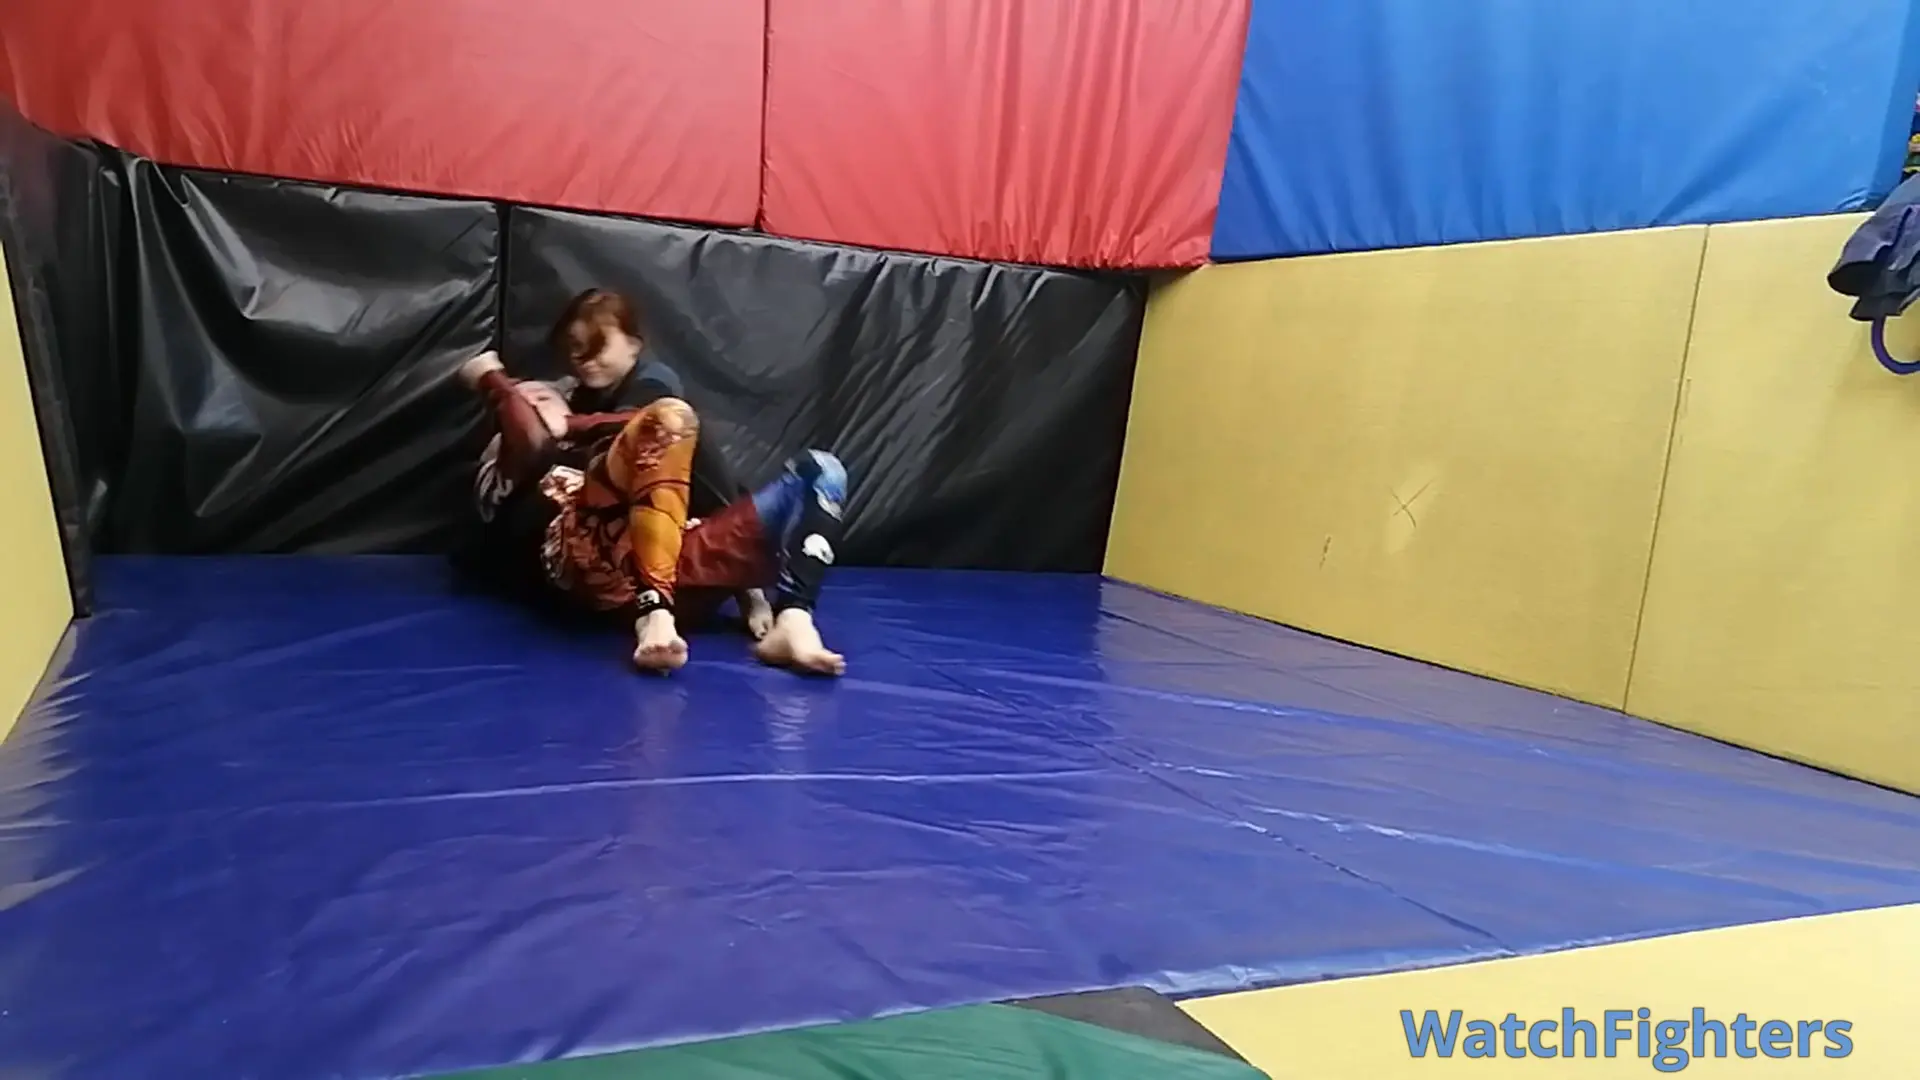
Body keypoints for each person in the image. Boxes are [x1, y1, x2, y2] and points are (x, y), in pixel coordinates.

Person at [454, 288, 849, 676]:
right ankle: (654, 611)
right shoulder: (510, 469)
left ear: (633, 346)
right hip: (604, 570)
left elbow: (664, 437)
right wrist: (492, 378)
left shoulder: (637, 390)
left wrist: (571, 423)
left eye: (544, 398)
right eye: (527, 402)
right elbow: (530, 440)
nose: (540, 399)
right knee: (669, 422)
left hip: (676, 555)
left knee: (822, 470)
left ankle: (794, 617)